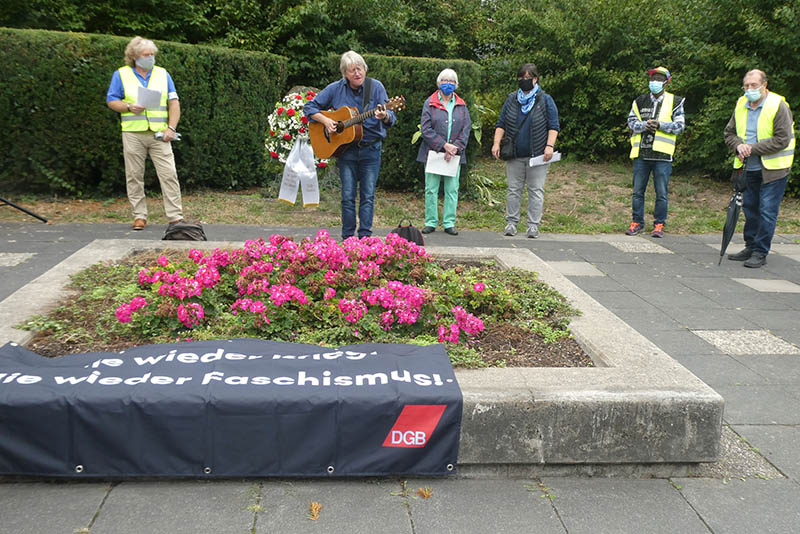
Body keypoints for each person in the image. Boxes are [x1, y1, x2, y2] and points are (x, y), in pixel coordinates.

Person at [305, 50, 396, 240]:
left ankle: (364, 238)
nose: (357, 73)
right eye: (352, 70)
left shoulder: (376, 87)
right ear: (345, 74)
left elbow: (392, 118)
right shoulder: (336, 88)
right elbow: (310, 107)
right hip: (346, 150)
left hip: (371, 149)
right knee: (347, 196)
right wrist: (325, 121)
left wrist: (385, 115)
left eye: (360, 68)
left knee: (368, 196)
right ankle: (347, 238)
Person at [106, 36, 183, 231]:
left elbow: (173, 103)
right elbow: (111, 101)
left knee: (169, 174)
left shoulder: (163, 74)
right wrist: (129, 106)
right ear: (134, 57)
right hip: (133, 133)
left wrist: (171, 129)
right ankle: (139, 215)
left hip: (160, 134)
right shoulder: (121, 75)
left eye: (152, 55)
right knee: (134, 175)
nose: (150, 58)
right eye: (145, 55)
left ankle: (175, 217)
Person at [724, 69, 795, 268]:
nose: (749, 89)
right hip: (748, 168)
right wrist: (738, 145)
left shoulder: (778, 105)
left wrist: (752, 148)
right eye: (746, 86)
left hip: (774, 169)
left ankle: (760, 251)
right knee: (750, 209)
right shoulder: (741, 104)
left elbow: (783, 139)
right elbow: (729, 133)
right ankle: (750, 245)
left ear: (764, 85)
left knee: (767, 211)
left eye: (754, 85)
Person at [491, 64, 560, 238]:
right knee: (513, 190)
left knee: (536, 190)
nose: (524, 81)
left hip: (537, 155)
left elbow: (553, 126)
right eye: (521, 78)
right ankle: (511, 223)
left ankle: (533, 225)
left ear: (535, 79)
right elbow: (501, 124)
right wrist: (496, 143)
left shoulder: (545, 100)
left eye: (527, 78)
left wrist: (549, 146)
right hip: (514, 154)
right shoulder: (512, 99)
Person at [625, 66, 686, 238]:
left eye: (659, 79)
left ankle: (659, 224)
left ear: (666, 82)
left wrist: (660, 125)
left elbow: (680, 126)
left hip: (663, 156)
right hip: (642, 154)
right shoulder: (640, 101)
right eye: (652, 79)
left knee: (662, 193)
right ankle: (637, 222)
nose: (654, 82)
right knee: (638, 191)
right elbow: (631, 121)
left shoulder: (676, 102)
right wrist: (644, 125)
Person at [416, 69, 471, 236]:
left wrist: (455, 148)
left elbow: (466, 129)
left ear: (456, 84)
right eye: (445, 80)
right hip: (433, 153)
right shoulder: (430, 102)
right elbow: (426, 129)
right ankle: (431, 222)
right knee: (431, 189)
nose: (448, 83)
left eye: (452, 81)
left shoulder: (461, 105)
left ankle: (449, 223)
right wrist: (443, 146)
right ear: (439, 83)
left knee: (452, 189)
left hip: (454, 155)